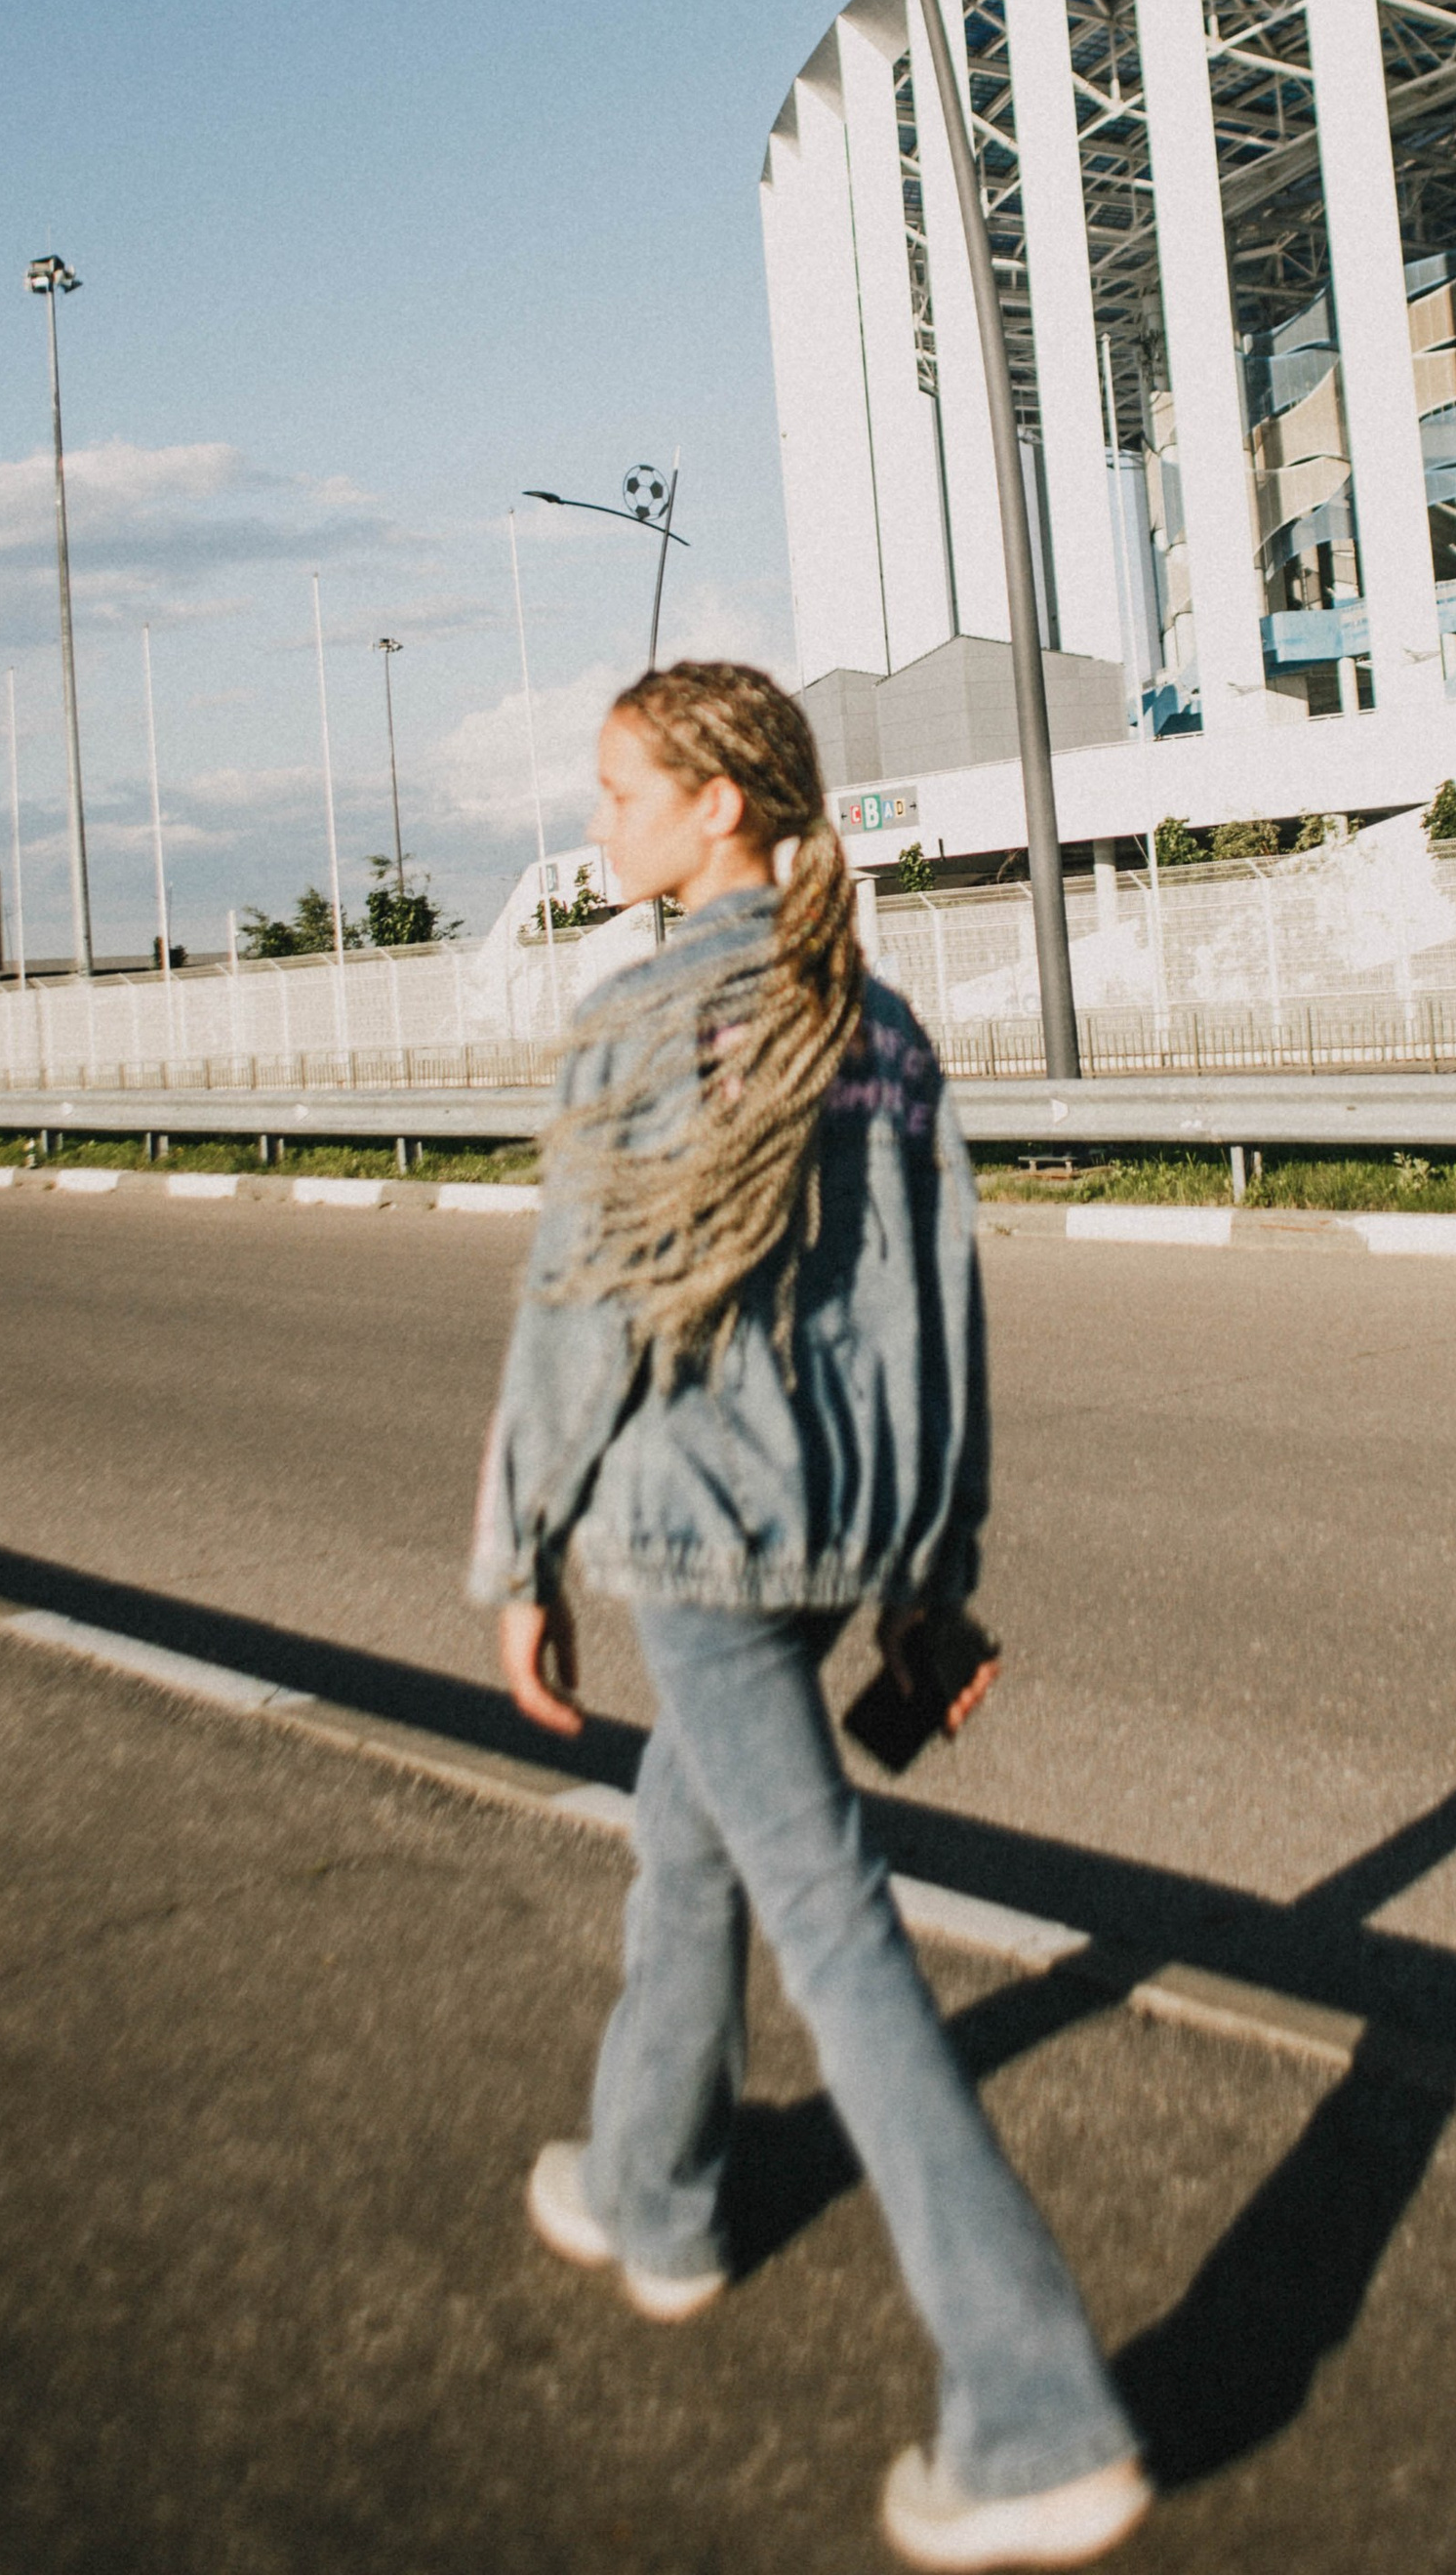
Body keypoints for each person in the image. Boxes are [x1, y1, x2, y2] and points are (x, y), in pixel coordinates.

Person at [470, 661, 1148, 2572]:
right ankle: (650, 2195)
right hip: (839, 1532)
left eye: (618, 792)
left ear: (717, 810)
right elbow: (942, 1323)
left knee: (833, 1928)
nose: (596, 824)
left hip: (692, 1540)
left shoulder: (640, 1018)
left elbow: (567, 1331)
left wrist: (520, 1564)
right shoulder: (882, 1028)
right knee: (688, 1862)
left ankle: (1031, 2414)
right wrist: (931, 1571)